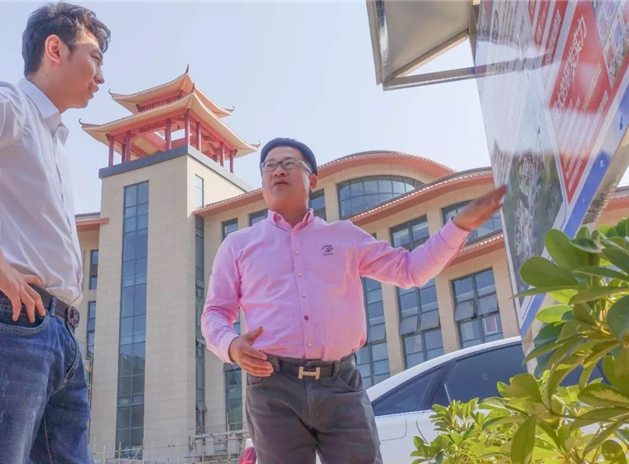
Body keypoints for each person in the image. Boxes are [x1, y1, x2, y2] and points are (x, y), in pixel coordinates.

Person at [202, 137, 506, 464]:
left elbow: (409, 269)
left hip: (341, 384)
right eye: (269, 166)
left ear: (311, 180)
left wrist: (459, 226)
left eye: (288, 164)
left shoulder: (345, 236)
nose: (278, 171)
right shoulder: (238, 245)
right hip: (272, 386)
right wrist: (231, 345)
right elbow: (215, 312)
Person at [0, 3, 110, 462]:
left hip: (60, 332)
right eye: (95, 57)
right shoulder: (11, 102)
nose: (100, 76)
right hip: (11, 317)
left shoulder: (54, 139)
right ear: (55, 49)